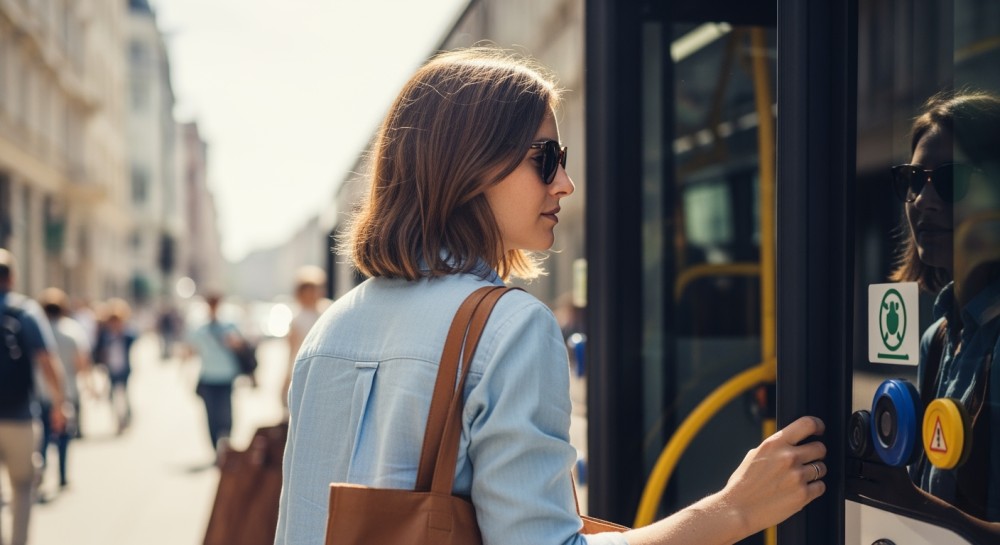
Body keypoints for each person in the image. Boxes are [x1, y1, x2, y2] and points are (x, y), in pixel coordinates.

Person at [274, 48, 827, 545]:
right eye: (545, 159)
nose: (565, 182)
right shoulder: (508, 328)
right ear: (470, 166)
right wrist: (735, 509)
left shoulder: (330, 328)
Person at [892, 90, 1000, 521]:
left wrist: (909, 502)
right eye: (915, 180)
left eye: (952, 180)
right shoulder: (936, 339)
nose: (923, 200)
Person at [0, 249, 66, 545]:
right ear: (12, 277)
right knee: (23, 486)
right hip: (20, 416)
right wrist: (60, 403)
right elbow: (47, 361)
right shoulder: (25, 312)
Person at [38, 287, 93, 489]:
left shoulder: (38, 329)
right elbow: (82, 362)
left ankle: (41, 470)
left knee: (43, 434)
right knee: (64, 435)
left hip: (41, 392)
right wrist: (87, 383)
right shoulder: (72, 330)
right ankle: (62, 474)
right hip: (67, 391)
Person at [184, 293, 246, 459]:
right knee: (211, 416)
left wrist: (233, 342)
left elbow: (241, 346)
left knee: (226, 414)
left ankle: (225, 445)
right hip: (208, 378)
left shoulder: (229, 325)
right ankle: (216, 449)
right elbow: (190, 351)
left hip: (226, 377)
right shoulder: (199, 329)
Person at [281, 265, 330, 406]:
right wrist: (286, 378)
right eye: (308, 290)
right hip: (303, 369)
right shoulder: (297, 318)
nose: (313, 294)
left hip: (324, 368)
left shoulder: (328, 311)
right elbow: (292, 350)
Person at [92, 298, 137, 434]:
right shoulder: (105, 336)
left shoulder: (126, 335)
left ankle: (125, 418)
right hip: (110, 368)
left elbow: (135, 336)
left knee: (124, 394)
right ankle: (118, 419)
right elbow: (97, 350)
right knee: (112, 395)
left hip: (124, 368)